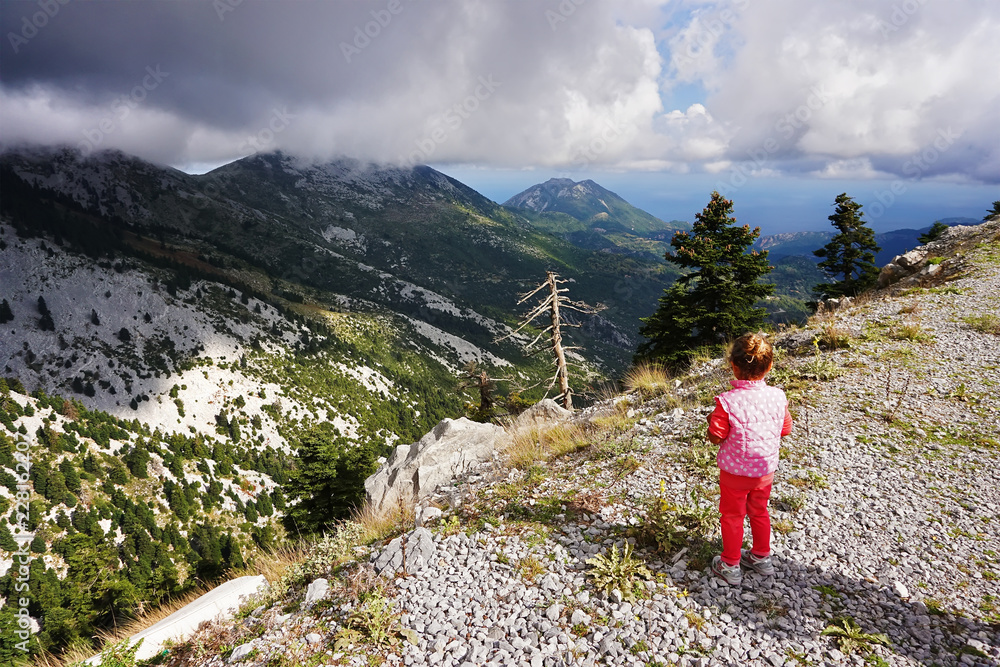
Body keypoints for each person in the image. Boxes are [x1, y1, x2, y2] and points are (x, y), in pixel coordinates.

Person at [706, 333, 792, 586]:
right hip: (765, 470)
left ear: (733, 366)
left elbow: (716, 436)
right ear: (770, 366)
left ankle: (730, 563)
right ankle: (761, 557)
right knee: (760, 511)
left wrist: (710, 427)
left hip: (735, 472)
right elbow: (785, 428)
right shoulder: (778, 396)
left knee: (732, 516)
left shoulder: (727, 402)